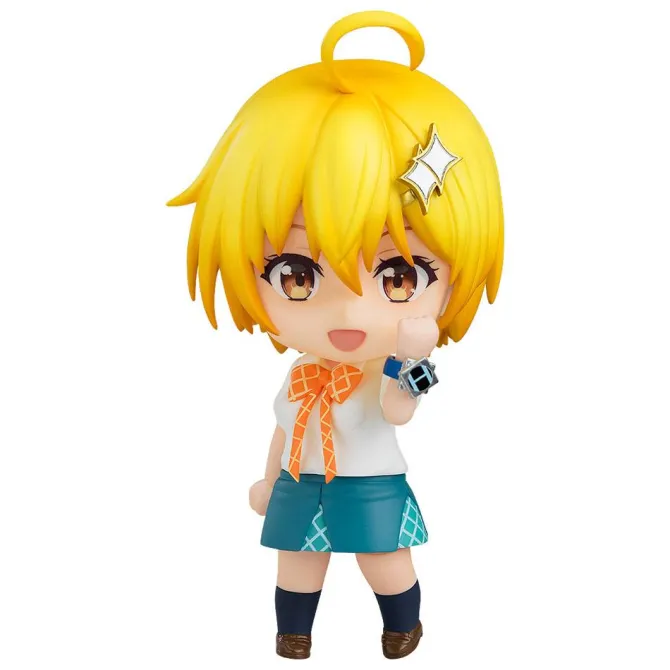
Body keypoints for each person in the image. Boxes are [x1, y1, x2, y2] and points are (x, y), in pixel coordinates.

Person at [169, 10, 503, 660]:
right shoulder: (301, 374)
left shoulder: (383, 370)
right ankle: (293, 632)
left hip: (369, 479)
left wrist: (411, 356)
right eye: (296, 274)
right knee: (295, 562)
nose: (348, 309)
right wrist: (268, 479)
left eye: (399, 276)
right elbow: (285, 427)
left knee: (385, 559)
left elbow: (399, 411)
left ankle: (402, 625)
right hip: (302, 480)